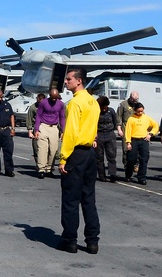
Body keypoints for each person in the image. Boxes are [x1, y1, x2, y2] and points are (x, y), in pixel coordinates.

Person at [57, 67, 100, 255]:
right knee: (88, 198)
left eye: (68, 79)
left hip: (76, 154)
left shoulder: (74, 103)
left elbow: (71, 133)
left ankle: (70, 240)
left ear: (79, 81)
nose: (65, 82)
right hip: (90, 153)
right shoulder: (93, 102)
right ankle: (92, 241)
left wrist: (63, 157)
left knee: (71, 200)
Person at [124, 103, 159, 185]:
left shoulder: (146, 118)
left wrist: (150, 134)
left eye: (142, 111)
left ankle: (141, 177)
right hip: (134, 140)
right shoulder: (131, 119)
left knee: (144, 159)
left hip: (144, 140)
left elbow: (155, 126)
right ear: (134, 110)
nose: (140, 113)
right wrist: (128, 142)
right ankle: (128, 174)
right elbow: (128, 131)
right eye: (139, 111)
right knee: (131, 159)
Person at [34, 89, 66, 179]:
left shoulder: (60, 104)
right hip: (43, 126)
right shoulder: (43, 103)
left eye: (56, 98)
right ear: (49, 96)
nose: (54, 100)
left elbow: (62, 117)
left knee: (53, 149)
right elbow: (38, 116)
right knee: (42, 149)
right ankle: (41, 169)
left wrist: (63, 131)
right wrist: (36, 129)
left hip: (54, 128)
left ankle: (49, 169)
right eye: (53, 98)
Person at [94, 96, 122, 183]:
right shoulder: (95, 112)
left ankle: (112, 174)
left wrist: (119, 130)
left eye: (105, 107)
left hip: (110, 134)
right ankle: (102, 175)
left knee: (111, 156)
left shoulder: (111, 111)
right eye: (102, 107)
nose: (104, 109)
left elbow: (116, 122)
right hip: (99, 135)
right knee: (99, 157)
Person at [117, 91, 139, 172]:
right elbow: (119, 117)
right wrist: (119, 129)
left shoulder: (138, 105)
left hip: (136, 129)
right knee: (126, 148)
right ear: (130, 98)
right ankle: (126, 164)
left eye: (136, 100)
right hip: (125, 128)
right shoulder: (123, 104)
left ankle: (136, 165)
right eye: (133, 100)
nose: (135, 102)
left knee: (136, 149)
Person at [26, 93, 45, 161]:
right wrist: (30, 131)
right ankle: (39, 165)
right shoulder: (33, 107)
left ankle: (47, 166)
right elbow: (29, 119)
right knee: (36, 148)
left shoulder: (48, 106)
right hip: (37, 128)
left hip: (46, 128)